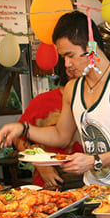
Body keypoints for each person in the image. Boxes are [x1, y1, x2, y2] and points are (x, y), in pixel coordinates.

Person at [0, 11, 110, 189]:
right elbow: (61, 136)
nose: (66, 64)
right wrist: (23, 129)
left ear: (91, 47)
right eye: (64, 57)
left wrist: (94, 161)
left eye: (70, 55)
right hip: (93, 192)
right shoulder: (73, 89)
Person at [16, 59, 84, 189]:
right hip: (49, 186)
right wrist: (42, 166)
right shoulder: (42, 102)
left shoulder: (102, 100)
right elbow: (18, 139)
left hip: (94, 185)